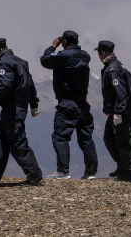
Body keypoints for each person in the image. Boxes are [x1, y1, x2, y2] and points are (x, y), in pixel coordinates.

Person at [0, 37, 43, 186]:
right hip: (17, 107)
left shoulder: (4, 63)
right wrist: (34, 104)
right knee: (0, 140)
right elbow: (30, 83)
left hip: (13, 109)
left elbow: (5, 84)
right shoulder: (20, 62)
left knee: (17, 142)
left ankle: (34, 174)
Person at [40, 30, 98, 180]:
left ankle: (63, 171)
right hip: (83, 104)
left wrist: (53, 46)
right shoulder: (85, 56)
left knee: (60, 136)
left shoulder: (63, 56)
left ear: (64, 42)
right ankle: (90, 172)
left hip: (67, 103)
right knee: (86, 138)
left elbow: (45, 60)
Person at [96, 40, 131, 182]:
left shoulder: (113, 69)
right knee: (109, 138)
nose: (98, 56)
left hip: (120, 112)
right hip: (115, 112)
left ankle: (129, 174)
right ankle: (122, 167)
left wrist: (119, 112)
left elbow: (121, 92)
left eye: (98, 52)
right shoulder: (113, 67)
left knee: (122, 141)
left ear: (102, 53)